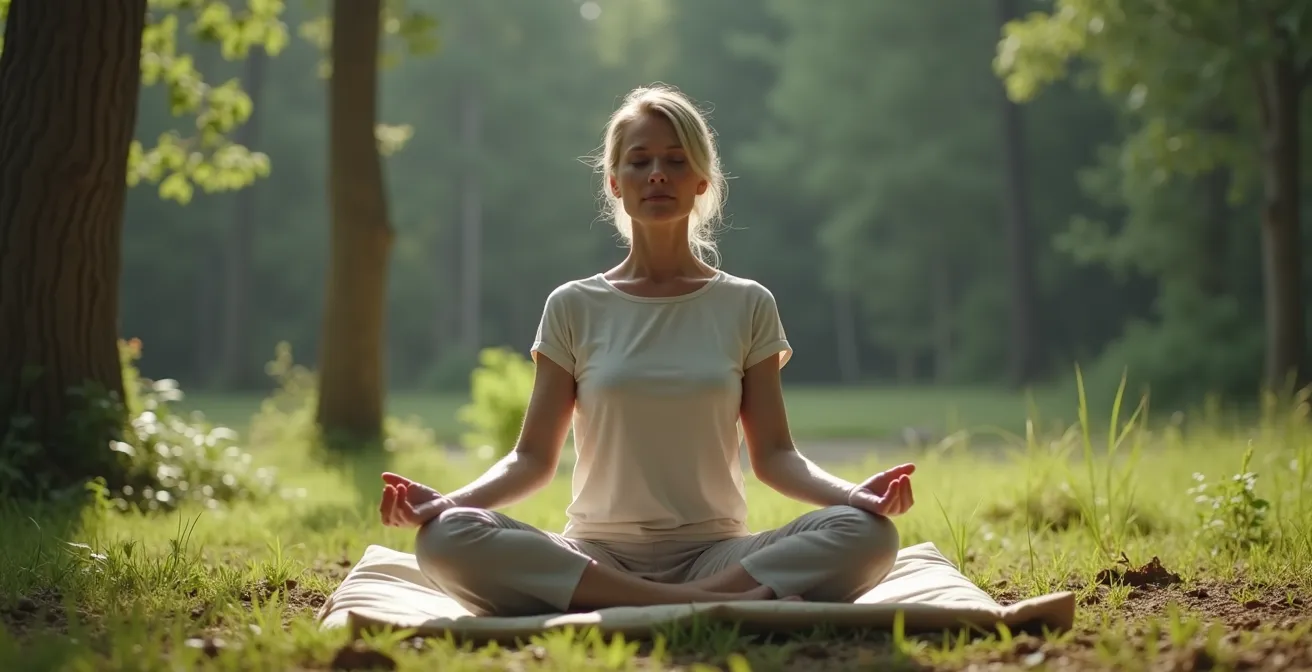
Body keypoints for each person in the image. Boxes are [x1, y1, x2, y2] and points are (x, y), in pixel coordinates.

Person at [378, 84, 917, 618]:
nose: (657, 172)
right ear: (614, 182)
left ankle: (682, 598)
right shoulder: (573, 305)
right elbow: (532, 459)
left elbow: (776, 457)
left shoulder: (747, 303)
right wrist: (447, 504)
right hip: (594, 555)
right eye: (639, 161)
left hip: (718, 555)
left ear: (701, 180)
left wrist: (854, 496)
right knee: (446, 536)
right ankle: (705, 606)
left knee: (866, 533)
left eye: (676, 160)